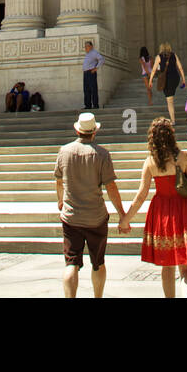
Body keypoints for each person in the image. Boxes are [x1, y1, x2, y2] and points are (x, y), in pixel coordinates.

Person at [119, 117, 187, 297]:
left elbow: (141, 195)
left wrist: (125, 220)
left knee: (167, 267)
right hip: (183, 209)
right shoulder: (182, 157)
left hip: (161, 213)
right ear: (171, 136)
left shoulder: (150, 161)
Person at [54, 112, 125, 298]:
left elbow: (59, 181)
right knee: (98, 262)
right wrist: (122, 214)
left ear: (77, 130)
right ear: (94, 132)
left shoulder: (64, 151)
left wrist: (60, 200)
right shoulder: (102, 154)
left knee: (71, 263)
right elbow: (111, 187)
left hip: (71, 216)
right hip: (96, 217)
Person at [149, 42, 183, 126]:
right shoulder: (174, 55)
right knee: (171, 97)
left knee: (169, 101)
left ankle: (173, 120)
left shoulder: (159, 57)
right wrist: (184, 79)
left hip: (166, 80)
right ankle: (173, 119)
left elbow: (153, 70)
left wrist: (150, 80)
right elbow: (180, 67)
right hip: (175, 78)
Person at [82, 40, 105, 110]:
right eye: (85, 46)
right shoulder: (87, 54)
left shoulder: (94, 53)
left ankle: (95, 105)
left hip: (91, 73)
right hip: (85, 73)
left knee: (93, 89)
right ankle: (88, 105)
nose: (86, 48)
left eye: (87, 46)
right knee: (86, 90)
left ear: (91, 46)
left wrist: (96, 68)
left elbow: (102, 59)